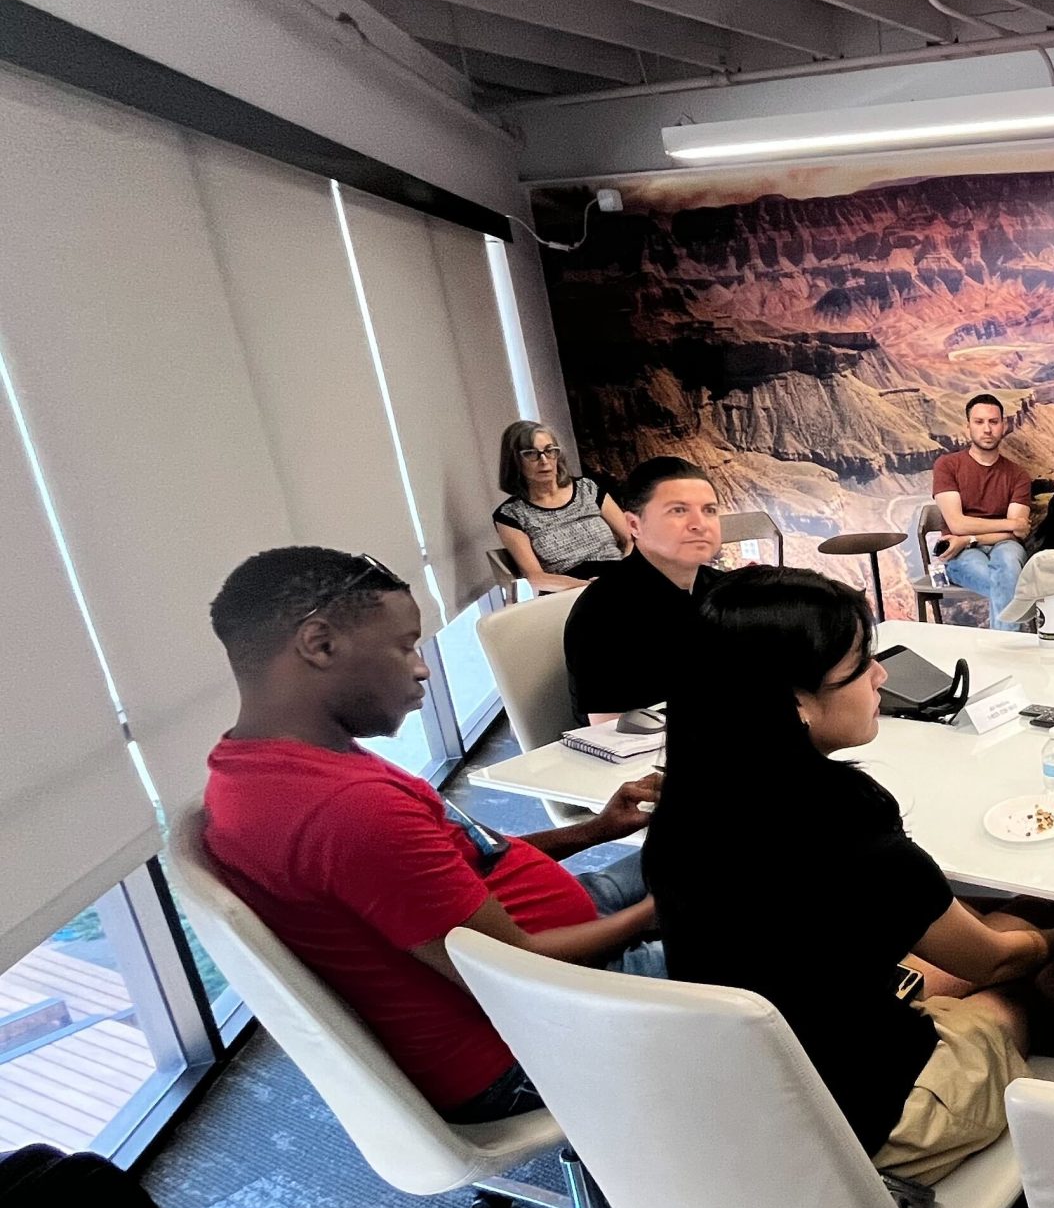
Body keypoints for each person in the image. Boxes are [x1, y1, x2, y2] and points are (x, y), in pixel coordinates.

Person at [645, 568, 1054, 1180]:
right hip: (869, 1118)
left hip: (757, 1084)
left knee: (1012, 922)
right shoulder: (838, 814)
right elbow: (991, 962)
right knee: (1025, 966)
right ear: (793, 700)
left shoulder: (686, 800)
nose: (882, 675)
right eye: (860, 662)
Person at [200, 547, 664, 1124]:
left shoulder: (274, 763)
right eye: (404, 646)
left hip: (545, 943)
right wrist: (656, 911)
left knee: (725, 850)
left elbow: (468, 858)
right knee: (790, 939)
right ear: (320, 645)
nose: (422, 668)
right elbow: (514, 972)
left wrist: (597, 830)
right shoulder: (346, 811)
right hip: (534, 1032)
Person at [562, 457, 725, 723]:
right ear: (634, 525)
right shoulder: (602, 611)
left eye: (709, 510)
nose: (699, 523)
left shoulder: (726, 590)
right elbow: (608, 731)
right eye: (678, 511)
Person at [930, 393, 1033, 624]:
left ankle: (1002, 652)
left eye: (993, 422)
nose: (987, 429)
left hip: (997, 546)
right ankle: (1009, 650)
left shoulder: (1018, 475)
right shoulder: (947, 466)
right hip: (960, 554)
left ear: (1003, 426)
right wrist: (1009, 523)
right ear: (968, 427)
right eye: (979, 422)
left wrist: (967, 538)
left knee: (1007, 564)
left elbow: (1017, 534)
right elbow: (957, 523)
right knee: (1009, 582)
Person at [492, 420, 630, 590]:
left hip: (619, 576)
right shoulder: (510, 515)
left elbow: (631, 538)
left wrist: (627, 571)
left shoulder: (587, 488)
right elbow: (536, 578)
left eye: (550, 451)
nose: (544, 460)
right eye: (531, 454)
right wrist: (589, 587)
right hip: (571, 591)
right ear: (514, 461)